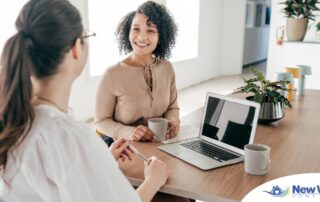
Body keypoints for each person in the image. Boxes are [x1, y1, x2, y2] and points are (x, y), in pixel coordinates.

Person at [0, 0, 169, 201]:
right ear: (75, 48)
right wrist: (153, 180)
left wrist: (101, 160)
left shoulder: (13, 118)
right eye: (86, 36)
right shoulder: (71, 137)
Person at [95, 1, 180, 142]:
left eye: (150, 30)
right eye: (136, 29)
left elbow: (173, 107)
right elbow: (101, 121)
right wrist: (129, 132)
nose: (141, 37)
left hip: (158, 143)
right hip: (123, 148)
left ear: (161, 36)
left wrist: (172, 121)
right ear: (128, 31)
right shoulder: (111, 74)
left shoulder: (167, 68)